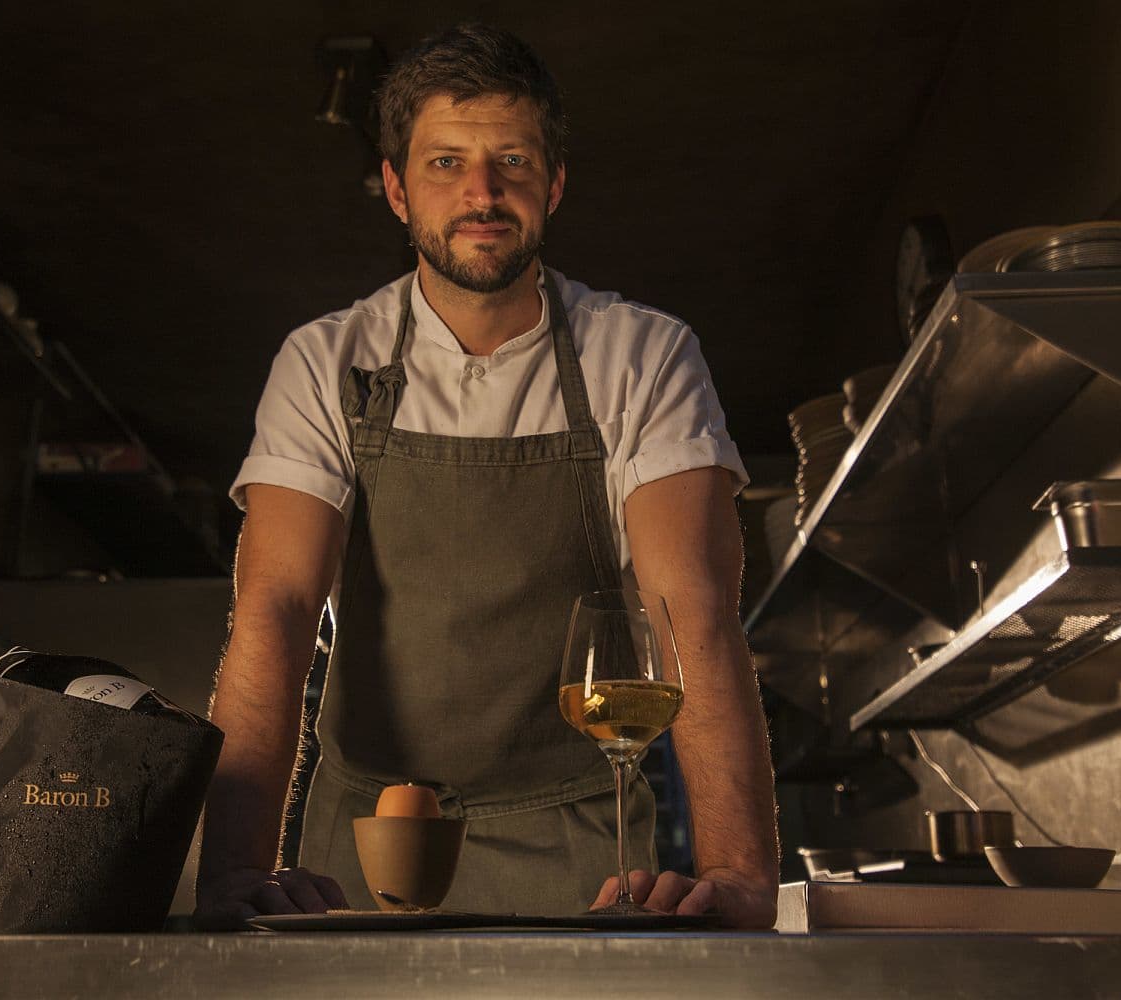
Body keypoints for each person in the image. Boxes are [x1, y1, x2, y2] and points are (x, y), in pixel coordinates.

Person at [196, 22, 779, 929]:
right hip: (362, 848)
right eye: (445, 163)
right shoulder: (324, 362)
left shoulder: (644, 356)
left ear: (553, 184)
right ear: (397, 189)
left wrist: (739, 874)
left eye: (512, 159)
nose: (482, 192)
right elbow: (276, 609)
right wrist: (234, 871)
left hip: (581, 852)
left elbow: (692, 609)